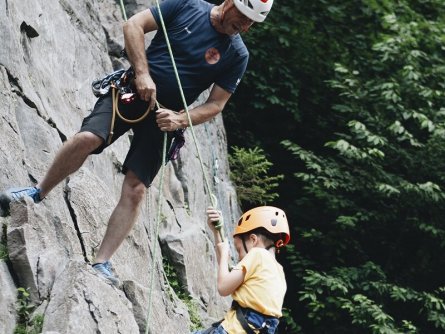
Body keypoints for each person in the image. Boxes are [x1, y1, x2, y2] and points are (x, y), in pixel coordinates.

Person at [0, 0, 274, 286]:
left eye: (251, 23)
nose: (244, 26)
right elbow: (134, 25)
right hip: (132, 90)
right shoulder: (188, 6)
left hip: (166, 118)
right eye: (242, 17)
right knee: (88, 139)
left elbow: (216, 104)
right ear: (230, 3)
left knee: (136, 189)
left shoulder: (237, 54)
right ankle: (36, 193)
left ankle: (102, 261)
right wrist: (142, 73)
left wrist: (181, 119)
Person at [195, 206, 290, 334]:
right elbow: (229, 277)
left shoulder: (257, 254)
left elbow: (223, 287)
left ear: (253, 240)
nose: (239, 256)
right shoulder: (278, 271)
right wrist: (217, 232)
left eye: (238, 249)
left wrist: (224, 254)